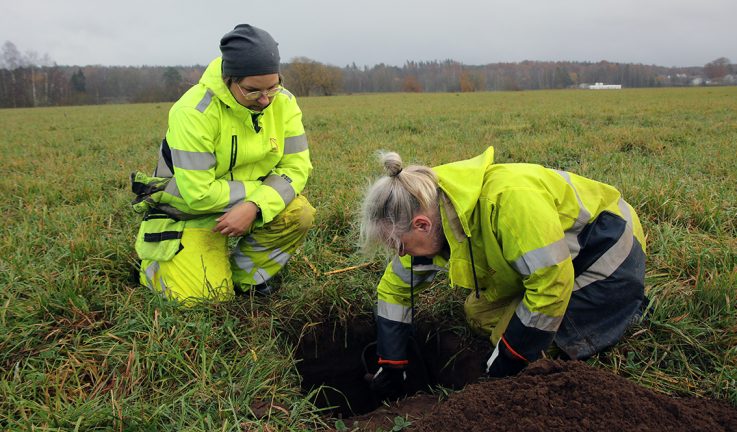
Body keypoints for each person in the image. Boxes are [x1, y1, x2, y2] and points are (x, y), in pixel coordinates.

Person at [360, 146, 647, 393]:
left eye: (398, 245)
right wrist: (392, 362)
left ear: (421, 224)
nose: (400, 254)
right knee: (480, 314)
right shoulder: (435, 212)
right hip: (552, 259)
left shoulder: (509, 200)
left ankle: (627, 307)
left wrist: (508, 361)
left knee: (537, 346)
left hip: (605, 248)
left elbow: (551, 285)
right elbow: (394, 288)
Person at [131, 24, 315, 304]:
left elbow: (297, 168)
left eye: (273, 87)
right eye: (252, 91)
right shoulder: (193, 112)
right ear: (229, 80)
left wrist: (253, 207)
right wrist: (258, 196)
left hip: (247, 206)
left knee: (299, 213)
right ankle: (154, 270)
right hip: (187, 213)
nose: (265, 100)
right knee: (205, 300)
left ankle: (244, 278)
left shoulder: (285, 102)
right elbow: (198, 194)